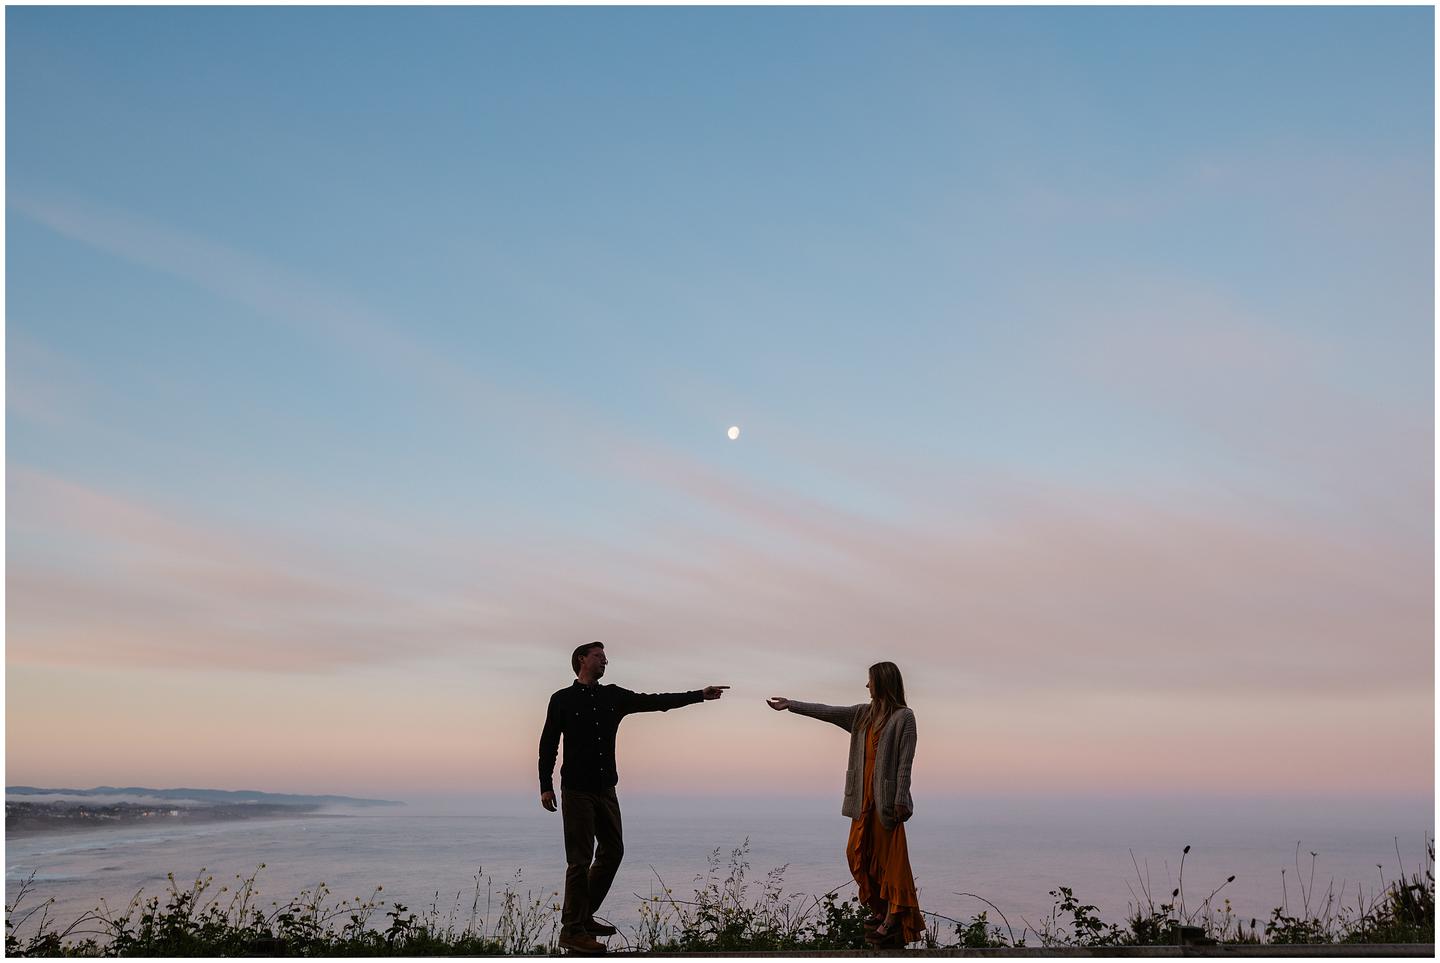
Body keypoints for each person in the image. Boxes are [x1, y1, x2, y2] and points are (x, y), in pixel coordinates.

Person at [539, 640, 728, 954]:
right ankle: (572, 931)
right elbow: (548, 743)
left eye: (606, 657)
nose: (605, 661)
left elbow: (656, 702)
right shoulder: (562, 699)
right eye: (599, 656)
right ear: (581, 659)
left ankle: (582, 917)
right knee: (579, 861)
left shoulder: (613, 696)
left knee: (613, 851)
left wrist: (699, 695)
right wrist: (545, 784)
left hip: (606, 789)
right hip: (576, 791)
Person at [767, 662, 923, 947]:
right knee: (856, 853)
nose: (867, 686)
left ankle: (892, 918)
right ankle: (880, 909)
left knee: (891, 862)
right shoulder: (862, 715)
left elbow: (905, 762)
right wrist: (791, 705)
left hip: (887, 802)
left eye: (870, 681)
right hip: (862, 799)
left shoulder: (904, 717)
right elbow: (827, 711)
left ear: (882, 682)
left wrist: (901, 797)